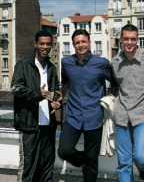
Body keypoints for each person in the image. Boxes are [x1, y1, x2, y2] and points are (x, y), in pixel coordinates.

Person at [57, 29, 118, 182]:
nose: (81, 45)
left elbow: (114, 82)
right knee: (64, 150)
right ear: (73, 44)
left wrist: (111, 98)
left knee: (93, 160)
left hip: (94, 115)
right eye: (77, 42)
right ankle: (83, 160)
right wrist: (60, 97)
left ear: (89, 43)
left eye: (84, 41)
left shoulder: (102, 63)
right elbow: (65, 82)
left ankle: (88, 162)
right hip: (73, 115)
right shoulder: (66, 62)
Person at [111, 24, 144, 181]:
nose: (129, 42)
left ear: (138, 40)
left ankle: (143, 167)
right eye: (126, 39)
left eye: (133, 39)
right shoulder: (115, 61)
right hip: (122, 115)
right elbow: (114, 86)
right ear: (121, 40)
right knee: (123, 163)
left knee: (140, 156)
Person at [11, 30, 60, 182]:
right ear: (35, 44)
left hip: (48, 125)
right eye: (42, 43)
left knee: (46, 168)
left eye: (48, 44)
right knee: (28, 168)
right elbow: (15, 89)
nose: (45, 47)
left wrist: (56, 100)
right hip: (29, 125)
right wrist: (37, 94)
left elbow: (54, 91)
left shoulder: (52, 67)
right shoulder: (23, 64)